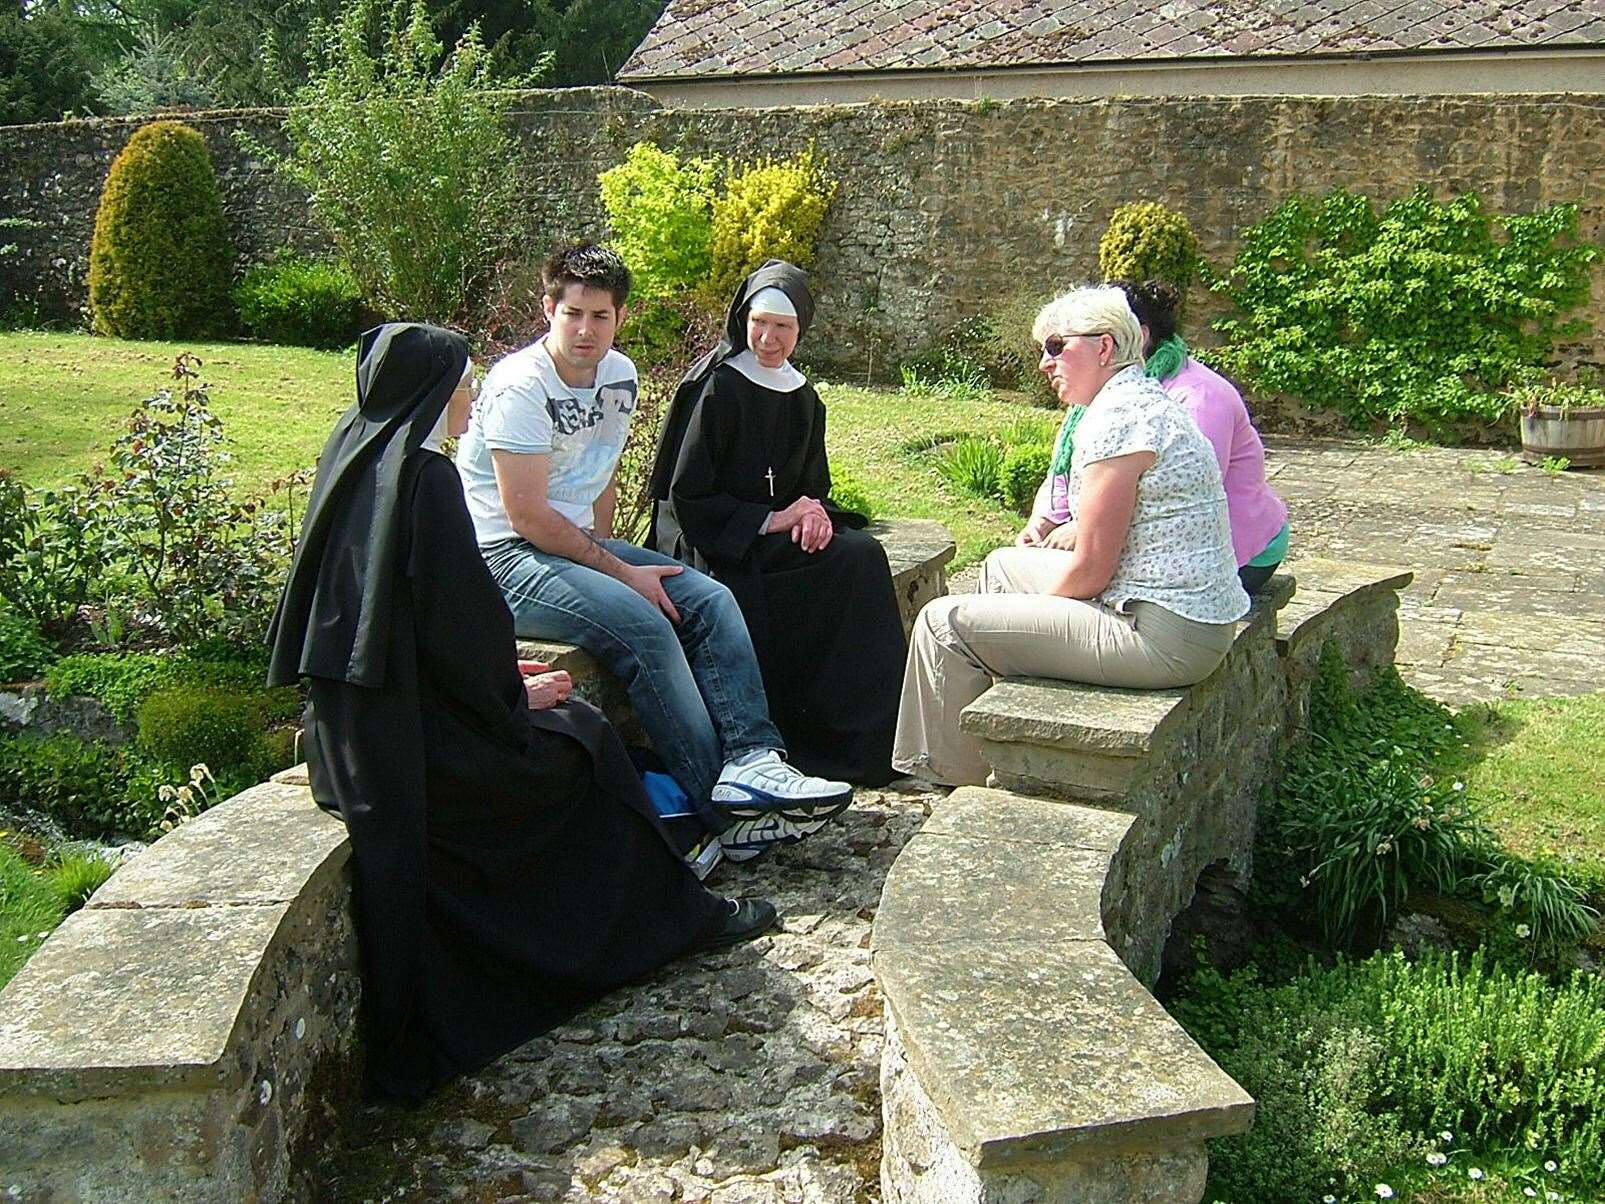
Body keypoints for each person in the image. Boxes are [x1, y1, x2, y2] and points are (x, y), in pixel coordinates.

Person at [266, 323, 777, 1102]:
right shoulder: (426, 479)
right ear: (435, 393)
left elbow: (403, 620)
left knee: (574, 734)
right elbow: (457, 626)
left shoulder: (358, 452)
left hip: (359, 742)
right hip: (422, 744)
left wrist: (497, 672)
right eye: (463, 384)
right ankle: (669, 921)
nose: (469, 399)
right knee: (586, 743)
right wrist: (515, 693)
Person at [453, 243, 852, 862]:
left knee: (710, 599)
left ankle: (751, 761)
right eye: (573, 314)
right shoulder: (519, 386)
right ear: (548, 310)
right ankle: (717, 812)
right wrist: (619, 574)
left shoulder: (619, 375)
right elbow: (527, 515)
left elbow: (599, 478)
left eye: (601, 316)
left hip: (572, 548)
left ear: (620, 318)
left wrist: (614, 555)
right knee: (646, 627)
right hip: (504, 559)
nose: (586, 331)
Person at [893, 286, 1250, 788]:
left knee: (940, 624)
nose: (1044, 362)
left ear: (1104, 348)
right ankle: (1004, 739)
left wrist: (1042, 609)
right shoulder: (1136, 399)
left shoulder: (1121, 419)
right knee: (1001, 566)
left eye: (1057, 346)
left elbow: (1091, 569)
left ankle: (958, 781)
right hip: (1172, 612)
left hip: (1166, 637)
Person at [647, 261, 904, 785]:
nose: (767, 338)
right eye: (759, 322)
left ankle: (865, 742)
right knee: (773, 583)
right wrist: (769, 520)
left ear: (800, 330)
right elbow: (686, 497)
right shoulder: (716, 386)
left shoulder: (803, 396)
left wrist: (811, 514)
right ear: (743, 319)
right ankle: (781, 742)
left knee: (859, 557)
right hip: (714, 539)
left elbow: (812, 485)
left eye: (782, 327)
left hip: (768, 534)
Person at [1112, 279, 1288, 591]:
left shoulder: (1199, 397)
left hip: (1238, 548)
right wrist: (1046, 521)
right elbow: (1068, 472)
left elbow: (1189, 494)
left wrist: (1087, 529)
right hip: (1161, 539)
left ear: (1139, 336)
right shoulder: (1111, 388)